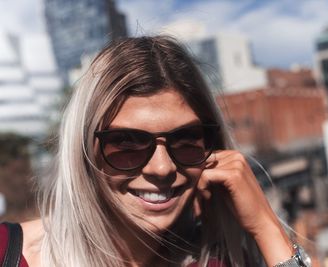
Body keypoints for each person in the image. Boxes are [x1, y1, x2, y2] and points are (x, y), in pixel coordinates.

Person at [0, 36, 310, 267]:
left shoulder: (223, 260)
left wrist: (265, 226)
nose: (162, 169)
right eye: (126, 144)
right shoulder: (8, 254)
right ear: (84, 152)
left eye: (186, 140)